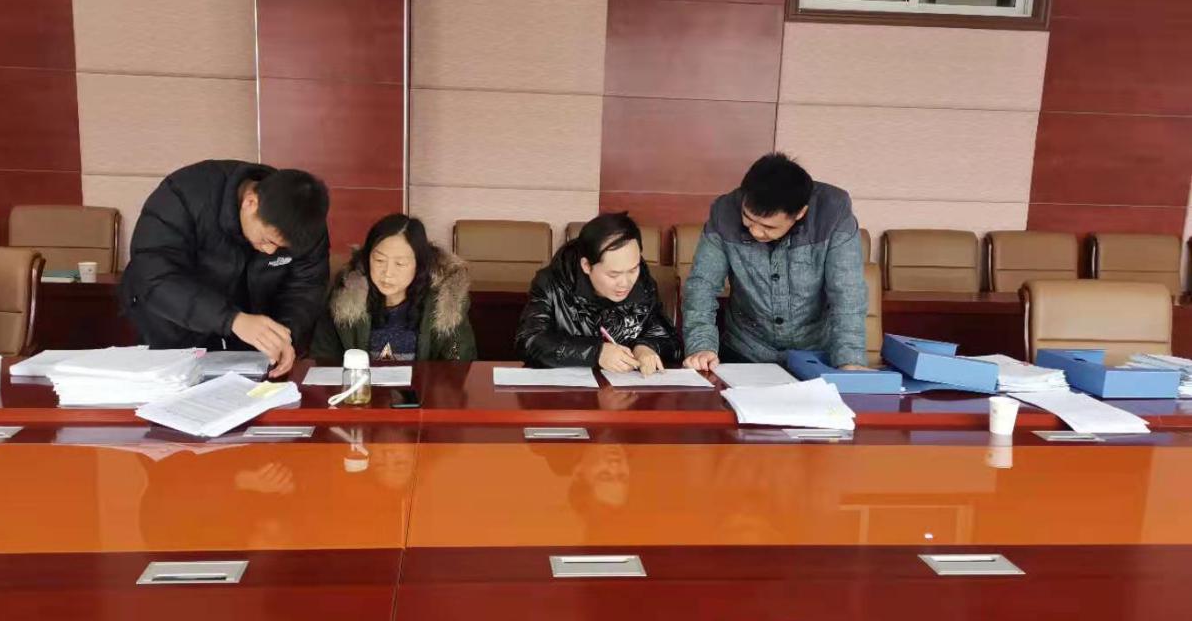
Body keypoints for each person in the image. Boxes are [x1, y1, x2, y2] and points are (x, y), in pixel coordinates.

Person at [121, 159, 329, 378]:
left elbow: (306, 287)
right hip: (170, 327)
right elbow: (154, 276)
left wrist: (282, 337)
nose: (270, 251)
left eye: (281, 248)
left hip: (248, 339)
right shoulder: (184, 194)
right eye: (267, 240)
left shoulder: (304, 222)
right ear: (251, 202)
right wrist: (232, 320)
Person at [681, 152, 868, 371]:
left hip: (814, 355)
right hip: (745, 351)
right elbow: (702, 286)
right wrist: (701, 346)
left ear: (800, 213)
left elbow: (847, 292)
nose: (755, 232)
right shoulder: (724, 212)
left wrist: (850, 361)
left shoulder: (833, 214)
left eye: (768, 227)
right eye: (748, 219)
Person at [515, 212, 682, 372]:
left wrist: (647, 347)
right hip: (571, 388)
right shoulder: (552, 283)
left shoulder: (643, 283)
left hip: (624, 388)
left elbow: (670, 340)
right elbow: (530, 341)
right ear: (586, 266)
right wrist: (595, 352)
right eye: (613, 275)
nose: (625, 283)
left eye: (633, 270)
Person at [311, 214, 476, 363]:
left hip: (422, 388)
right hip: (359, 387)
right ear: (367, 258)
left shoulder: (446, 304)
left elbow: (460, 366)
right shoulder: (344, 297)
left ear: (419, 265)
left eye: (400, 263)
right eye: (379, 260)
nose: (388, 273)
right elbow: (322, 359)